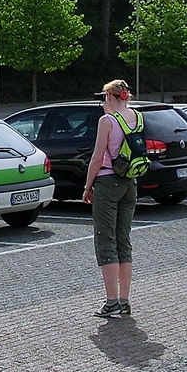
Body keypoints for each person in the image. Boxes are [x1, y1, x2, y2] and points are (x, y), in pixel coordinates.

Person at [83, 77, 144, 318]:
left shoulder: (107, 121)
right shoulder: (137, 116)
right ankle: (125, 300)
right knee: (123, 239)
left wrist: (88, 186)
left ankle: (111, 302)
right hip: (130, 182)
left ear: (109, 96)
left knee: (106, 240)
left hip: (108, 182)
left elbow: (97, 157)